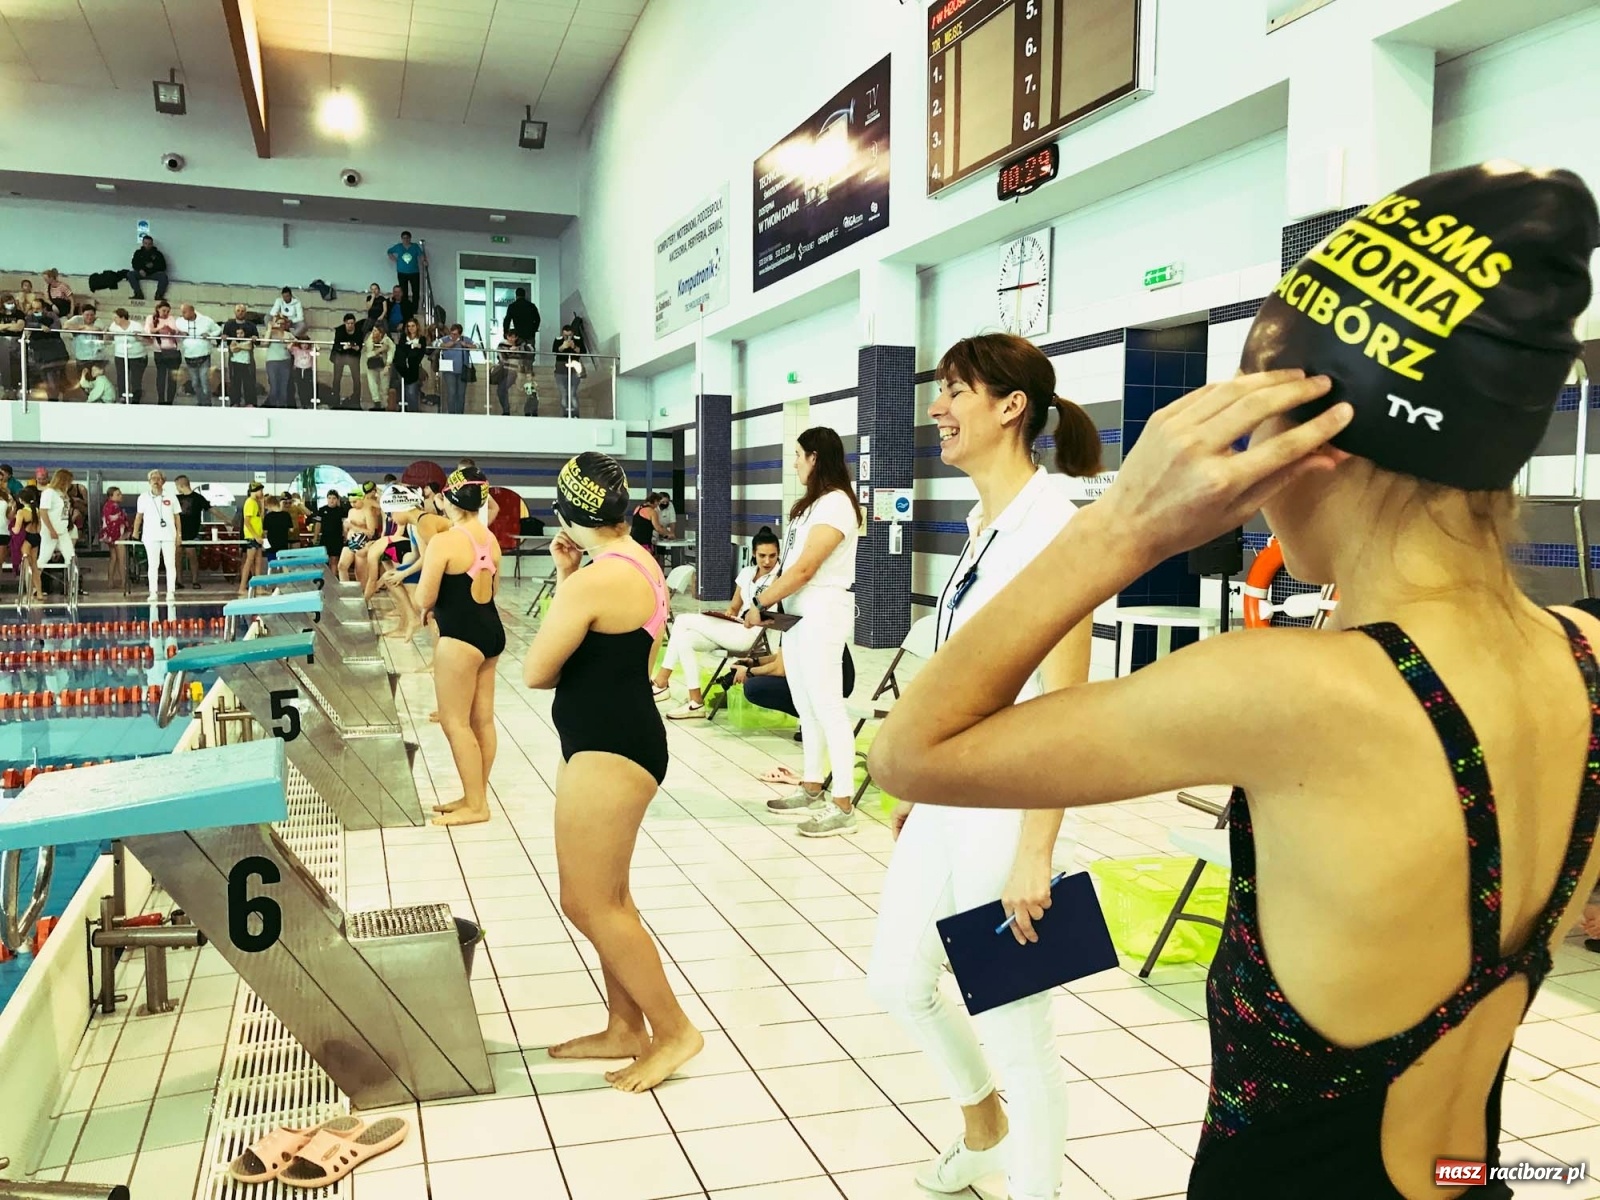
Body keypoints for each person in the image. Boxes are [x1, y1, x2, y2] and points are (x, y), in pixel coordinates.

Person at [871, 163, 1600, 1200]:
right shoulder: (1583, 655)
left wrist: (1124, 523)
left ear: (1315, 447)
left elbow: (909, 752)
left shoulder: (1296, 692)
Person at [857, 333, 1104, 1200]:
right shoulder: (981, 526)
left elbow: (1065, 709)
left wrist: (1038, 849)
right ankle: (982, 1124)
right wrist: (927, 784)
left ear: (1011, 408)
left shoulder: (1056, 531)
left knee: (1016, 1026)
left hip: (1011, 809)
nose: (938, 407)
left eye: (958, 390)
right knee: (896, 980)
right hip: (955, 798)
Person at [521, 452, 701, 1092]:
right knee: (610, 898)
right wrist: (574, 573)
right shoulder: (636, 561)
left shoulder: (597, 582)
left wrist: (567, 582)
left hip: (610, 748)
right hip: (619, 738)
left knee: (589, 901)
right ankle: (625, 1026)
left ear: (567, 516)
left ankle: (674, 1031)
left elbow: (537, 670)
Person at [748, 427, 862, 837]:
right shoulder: (806, 507)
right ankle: (812, 785)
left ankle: (844, 804)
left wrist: (761, 605)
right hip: (795, 616)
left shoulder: (837, 504)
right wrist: (762, 597)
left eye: (798, 454)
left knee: (829, 707)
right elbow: (786, 566)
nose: (794, 461)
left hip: (824, 611)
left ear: (815, 457)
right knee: (805, 705)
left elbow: (806, 568)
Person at [414, 470, 503, 826]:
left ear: (448, 500)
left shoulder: (444, 542)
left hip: (459, 639)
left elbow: (423, 596)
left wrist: (431, 606)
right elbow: (491, 592)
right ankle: (475, 796)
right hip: (491, 632)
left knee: (455, 723)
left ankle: (477, 807)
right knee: (482, 720)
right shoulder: (490, 539)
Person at [652, 526, 781, 718]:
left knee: (681, 620)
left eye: (772, 555)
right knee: (684, 639)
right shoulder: (746, 573)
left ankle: (661, 682)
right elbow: (734, 607)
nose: (767, 561)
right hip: (736, 628)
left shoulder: (781, 579)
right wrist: (724, 616)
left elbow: (777, 616)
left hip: (756, 637)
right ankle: (695, 701)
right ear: (754, 553)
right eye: (762, 555)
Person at [132, 469, 178, 617]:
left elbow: (177, 517)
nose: (155, 481)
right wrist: (135, 532)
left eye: (158, 478)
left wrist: (179, 534)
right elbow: (139, 516)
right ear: (149, 481)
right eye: (153, 478)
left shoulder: (171, 497)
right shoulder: (143, 497)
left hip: (169, 535)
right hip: (150, 536)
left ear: (163, 481)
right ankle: (153, 592)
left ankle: (170, 591)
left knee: (170, 564)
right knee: (153, 565)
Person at [21, 296, 67, 400]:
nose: (35, 311)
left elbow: (57, 326)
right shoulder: (30, 317)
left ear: (44, 308)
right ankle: (50, 397)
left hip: (54, 353)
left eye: (38, 308)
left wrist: (48, 329)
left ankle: (54, 398)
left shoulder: (52, 315)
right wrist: (40, 326)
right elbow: (26, 324)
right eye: (33, 309)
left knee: (53, 378)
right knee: (44, 379)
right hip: (40, 353)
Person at [175, 303, 221, 406]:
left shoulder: (206, 320)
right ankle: (200, 401)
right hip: (189, 356)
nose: (182, 314)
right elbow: (174, 335)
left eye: (184, 312)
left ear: (192, 311)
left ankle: (207, 403)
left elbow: (218, 330)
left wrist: (210, 335)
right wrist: (179, 334)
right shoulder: (179, 322)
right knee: (195, 382)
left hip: (204, 355)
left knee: (204, 380)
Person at [36, 468, 75, 586]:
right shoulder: (49, 492)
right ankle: (33, 586)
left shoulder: (63, 494)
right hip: (50, 531)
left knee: (71, 557)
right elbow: (43, 512)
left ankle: (73, 587)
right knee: (44, 558)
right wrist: (51, 529)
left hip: (62, 531)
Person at [171, 476, 211, 589]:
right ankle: (179, 580)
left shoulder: (198, 498)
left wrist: (226, 519)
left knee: (191, 554)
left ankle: (195, 580)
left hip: (191, 531)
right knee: (177, 555)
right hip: (178, 531)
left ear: (181, 485)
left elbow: (211, 509)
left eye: (177, 486)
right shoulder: (176, 498)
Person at [144, 301, 181, 405]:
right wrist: (159, 329)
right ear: (158, 309)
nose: (166, 313)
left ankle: (170, 400)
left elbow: (177, 332)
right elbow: (148, 331)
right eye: (164, 311)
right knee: (161, 376)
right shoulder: (151, 318)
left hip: (173, 351)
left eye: (168, 311)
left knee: (172, 378)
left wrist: (170, 330)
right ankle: (161, 399)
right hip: (159, 351)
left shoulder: (172, 318)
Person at [221, 304, 259, 406]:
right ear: (235, 312)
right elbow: (227, 341)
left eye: (242, 311)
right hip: (234, 359)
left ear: (245, 312)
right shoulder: (229, 324)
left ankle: (250, 403)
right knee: (234, 382)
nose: (240, 312)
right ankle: (235, 402)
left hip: (248, 360)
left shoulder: (251, 325)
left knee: (250, 382)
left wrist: (254, 338)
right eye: (238, 310)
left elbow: (256, 341)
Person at [106, 308, 147, 402]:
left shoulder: (136, 325)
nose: (114, 320)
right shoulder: (113, 326)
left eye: (116, 318)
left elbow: (146, 339)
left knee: (136, 379)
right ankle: (122, 397)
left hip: (137, 356)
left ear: (123, 317)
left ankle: (136, 399)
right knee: (121, 377)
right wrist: (107, 332)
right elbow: (108, 338)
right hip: (120, 356)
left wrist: (139, 337)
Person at [392, 317, 428, 411]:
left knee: (411, 392)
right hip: (402, 366)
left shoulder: (422, 339)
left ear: (417, 327)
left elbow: (419, 353)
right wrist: (412, 347)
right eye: (409, 326)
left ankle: (413, 412)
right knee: (402, 390)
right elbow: (401, 350)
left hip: (413, 368)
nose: (411, 328)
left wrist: (410, 349)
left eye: (413, 326)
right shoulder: (404, 337)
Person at [436, 324, 473, 414]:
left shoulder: (465, 339)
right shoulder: (445, 339)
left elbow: (477, 346)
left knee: (461, 394)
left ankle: (460, 413)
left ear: (460, 334)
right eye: (451, 334)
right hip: (449, 370)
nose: (453, 336)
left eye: (455, 334)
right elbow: (435, 344)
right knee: (451, 392)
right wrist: (445, 345)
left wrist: (466, 345)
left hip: (462, 370)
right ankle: (451, 413)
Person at [12, 485, 40, 602]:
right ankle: (39, 593)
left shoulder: (21, 512)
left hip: (26, 539)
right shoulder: (37, 510)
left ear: (21, 500)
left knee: (26, 566)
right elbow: (39, 528)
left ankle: (28, 592)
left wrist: (12, 528)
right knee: (34, 566)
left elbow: (17, 530)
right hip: (36, 538)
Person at [237, 480, 266, 596]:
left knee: (259, 562)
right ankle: (242, 587)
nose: (262, 492)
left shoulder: (255, 503)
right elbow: (247, 522)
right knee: (249, 562)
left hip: (257, 537)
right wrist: (255, 536)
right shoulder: (249, 502)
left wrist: (262, 505)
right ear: (255, 491)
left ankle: (259, 587)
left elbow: (260, 519)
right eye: (261, 490)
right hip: (252, 537)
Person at [64, 304, 107, 379]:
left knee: (97, 380)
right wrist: (83, 327)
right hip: (81, 357)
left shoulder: (98, 320)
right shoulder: (77, 319)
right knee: (83, 380)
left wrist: (77, 328)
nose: (89, 317)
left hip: (96, 357)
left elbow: (97, 329)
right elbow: (66, 326)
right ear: (82, 314)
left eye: (92, 315)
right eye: (87, 315)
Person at [330, 313, 364, 407]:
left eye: (352, 323)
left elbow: (360, 345)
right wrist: (344, 347)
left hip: (353, 355)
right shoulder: (340, 330)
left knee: (356, 379)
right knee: (337, 378)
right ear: (345, 323)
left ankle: (356, 401)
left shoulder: (359, 331)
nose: (350, 325)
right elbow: (336, 345)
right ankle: (335, 401)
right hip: (340, 355)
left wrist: (356, 347)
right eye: (348, 323)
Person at [387, 232, 425, 312]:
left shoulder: (415, 246)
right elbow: (389, 251)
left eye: (407, 238)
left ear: (410, 238)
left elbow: (421, 255)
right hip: (402, 272)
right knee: (403, 291)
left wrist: (424, 261)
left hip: (414, 272)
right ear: (402, 239)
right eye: (404, 238)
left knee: (415, 291)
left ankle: (414, 310)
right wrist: (394, 259)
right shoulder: (398, 246)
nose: (406, 239)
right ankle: (405, 308)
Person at [100, 486, 130, 589]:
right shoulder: (114, 506)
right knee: (121, 559)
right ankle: (123, 582)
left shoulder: (106, 506)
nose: (121, 496)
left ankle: (110, 581)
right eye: (118, 494)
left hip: (109, 536)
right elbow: (119, 522)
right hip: (117, 536)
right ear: (110, 496)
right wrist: (123, 535)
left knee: (113, 558)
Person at [363, 323, 395, 413]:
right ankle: (376, 403)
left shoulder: (387, 340)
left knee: (384, 387)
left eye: (375, 330)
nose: (373, 332)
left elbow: (391, 352)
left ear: (381, 332)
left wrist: (388, 365)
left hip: (384, 365)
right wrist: (380, 350)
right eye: (373, 330)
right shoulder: (370, 339)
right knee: (372, 384)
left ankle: (384, 406)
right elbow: (369, 354)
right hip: (372, 365)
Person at [553, 324, 583, 417]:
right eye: (565, 335)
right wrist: (562, 347)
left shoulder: (578, 339)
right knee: (564, 392)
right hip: (561, 369)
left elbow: (582, 352)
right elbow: (554, 352)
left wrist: (574, 347)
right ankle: (565, 414)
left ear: (573, 334)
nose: (568, 337)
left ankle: (575, 414)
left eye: (570, 335)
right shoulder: (558, 340)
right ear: (562, 333)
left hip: (574, 368)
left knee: (572, 392)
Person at [126, 235, 168, 301]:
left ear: (152, 244)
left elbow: (163, 266)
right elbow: (134, 263)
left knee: (163, 276)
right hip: (141, 273)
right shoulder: (138, 253)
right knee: (130, 274)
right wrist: (140, 270)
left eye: (149, 244)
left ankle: (158, 295)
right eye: (146, 243)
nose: (147, 245)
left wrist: (153, 266)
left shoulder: (158, 254)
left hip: (153, 274)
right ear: (143, 243)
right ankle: (138, 294)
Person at [264, 317, 293, 407]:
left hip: (285, 361)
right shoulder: (270, 333)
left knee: (284, 386)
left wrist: (290, 344)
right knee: (274, 386)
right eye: (278, 323)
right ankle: (272, 405)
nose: (280, 325)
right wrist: (269, 329)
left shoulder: (288, 334)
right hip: (272, 361)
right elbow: (265, 343)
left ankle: (282, 406)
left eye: (282, 323)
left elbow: (295, 342)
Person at [493, 330, 524, 416]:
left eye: (513, 337)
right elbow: (502, 358)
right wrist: (510, 351)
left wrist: (517, 349)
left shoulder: (520, 345)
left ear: (516, 337)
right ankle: (506, 410)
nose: (511, 339)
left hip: (514, 371)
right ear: (506, 336)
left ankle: (506, 411)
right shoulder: (502, 345)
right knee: (501, 390)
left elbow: (526, 354)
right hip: (504, 369)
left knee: (502, 389)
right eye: (509, 336)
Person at [314, 489, 346, 570]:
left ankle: (333, 580)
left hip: (337, 538)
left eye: (334, 498)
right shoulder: (321, 510)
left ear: (337, 499)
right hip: (325, 538)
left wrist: (345, 536)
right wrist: (315, 536)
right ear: (327, 499)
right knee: (323, 560)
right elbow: (318, 524)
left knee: (334, 560)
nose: (331, 500)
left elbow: (345, 525)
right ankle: (325, 580)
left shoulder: (341, 511)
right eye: (329, 498)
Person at [0, 293, 23, 400]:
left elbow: (19, 327)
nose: (11, 305)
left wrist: (4, 327)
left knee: (15, 366)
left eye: (12, 303)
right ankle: (6, 389)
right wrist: (11, 325)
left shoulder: (19, 313)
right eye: (8, 303)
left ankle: (15, 390)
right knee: (4, 367)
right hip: (2, 343)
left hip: (16, 343)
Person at [261, 493, 293, 564]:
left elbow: (264, 532)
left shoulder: (268, 517)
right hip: (283, 545)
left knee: (272, 566)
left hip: (271, 546)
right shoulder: (286, 515)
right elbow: (291, 530)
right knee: (284, 566)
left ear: (269, 505)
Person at [290, 332, 316, 407]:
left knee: (308, 387)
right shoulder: (296, 349)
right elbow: (288, 348)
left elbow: (317, 349)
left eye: (306, 343)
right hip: (298, 370)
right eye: (303, 343)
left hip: (308, 370)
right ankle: (303, 403)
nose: (304, 345)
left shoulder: (310, 350)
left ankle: (308, 403)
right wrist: (294, 341)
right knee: (300, 387)